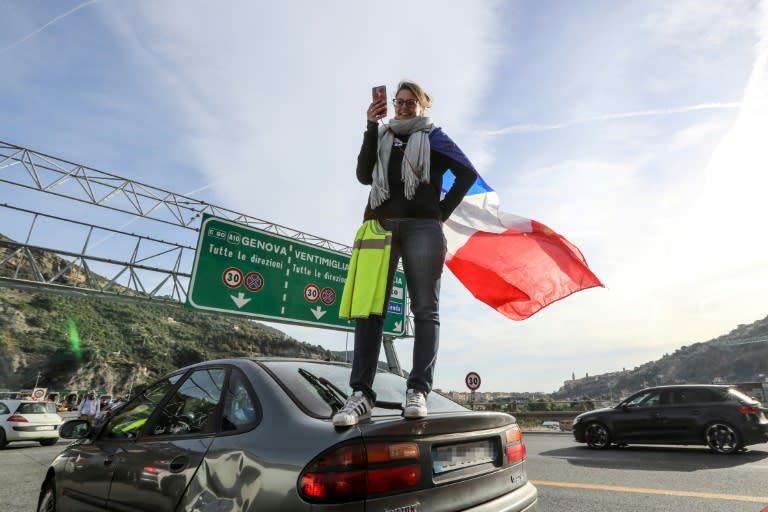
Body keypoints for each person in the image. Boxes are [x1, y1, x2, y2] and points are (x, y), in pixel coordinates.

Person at [333, 80, 478, 427]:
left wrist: (439, 212)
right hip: (379, 226)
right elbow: (363, 175)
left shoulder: (435, 138)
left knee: (425, 309)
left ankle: (418, 390)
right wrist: (370, 125)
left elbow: (467, 173)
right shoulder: (382, 135)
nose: (403, 107)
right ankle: (361, 395)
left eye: (411, 102)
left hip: (421, 229)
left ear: (423, 106)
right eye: (399, 102)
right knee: (369, 309)